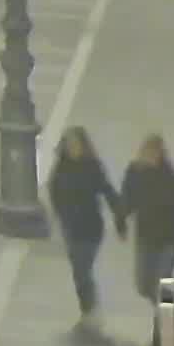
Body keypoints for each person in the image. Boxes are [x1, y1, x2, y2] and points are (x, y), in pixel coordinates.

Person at [120, 135, 174, 346]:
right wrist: (121, 220)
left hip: (167, 242)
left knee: (163, 288)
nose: (149, 157)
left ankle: (160, 341)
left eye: (153, 153)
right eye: (146, 152)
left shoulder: (173, 179)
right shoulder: (135, 174)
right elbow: (127, 198)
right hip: (145, 240)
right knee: (144, 285)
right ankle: (163, 312)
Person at [48, 126, 119, 322]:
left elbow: (107, 190)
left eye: (76, 145)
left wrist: (120, 214)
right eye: (69, 145)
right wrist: (60, 216)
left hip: (91, 227)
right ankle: (88, 310)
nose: (73, 149)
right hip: (71, 229)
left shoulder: (92, 166)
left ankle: (90, 310)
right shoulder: (61, 167)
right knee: (79, 272)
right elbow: (54, 192)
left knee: (82, 270)